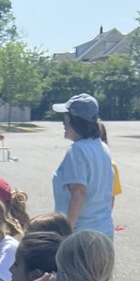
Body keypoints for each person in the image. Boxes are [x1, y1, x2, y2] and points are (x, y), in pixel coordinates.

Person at [51, 93, 114, 238]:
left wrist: (65, 233)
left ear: (75, 120)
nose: (63, 123)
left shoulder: (77, 150)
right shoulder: (102, 147)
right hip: (103, 231)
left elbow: (78, 192)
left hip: (81, 235)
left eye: (66, 118)